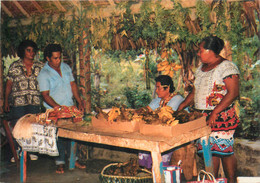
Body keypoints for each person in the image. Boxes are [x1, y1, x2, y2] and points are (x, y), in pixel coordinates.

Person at [178, 35, 240, 183]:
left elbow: (233, 93)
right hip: (202, 118)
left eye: (200, 50)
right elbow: (196, 91)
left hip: (222, 116)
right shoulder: (200, 69)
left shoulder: (227, 67)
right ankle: (214, 180)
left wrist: (215, 113)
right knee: (210, 152)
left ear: (211, 51)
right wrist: (183, 105)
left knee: (225, 151)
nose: (198, 54)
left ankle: (232, 181)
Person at [37, 44, 85, 174]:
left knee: (72, 135)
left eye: (59, 57)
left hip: (69, 107)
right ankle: (60, 163)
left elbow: (73, 85)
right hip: (54, 110)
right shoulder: (44, 74)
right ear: (48, 58)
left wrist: (79, 101)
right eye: (55, 58)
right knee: (58, 137)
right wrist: (57, 108)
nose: (58, 61)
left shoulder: (66, 67)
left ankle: (73, 159)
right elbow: (45, 95)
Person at [4, 40, 43, 162]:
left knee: (33, 126)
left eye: (33, 51)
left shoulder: (40, 66)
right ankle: (18, 151)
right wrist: (6, 100)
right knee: (18, 126)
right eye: (28, 50)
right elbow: (9, 84)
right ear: (23, 51)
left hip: (34, 101)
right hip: (18, 103)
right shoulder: (15, 66)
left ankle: (31, 151)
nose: (31, 53)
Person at [137, 75, 184, 170]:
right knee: (144, 142)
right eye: (156, 88)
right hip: (160, 130)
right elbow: (147, 109)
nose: (156, 90)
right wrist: (135, 112)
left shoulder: (177, 99)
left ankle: (158, 171)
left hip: (175, 132)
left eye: (159, 88)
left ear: (168, 88)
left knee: (161, 145)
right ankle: (147, 169)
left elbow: (166, 116)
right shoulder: (158, 100)